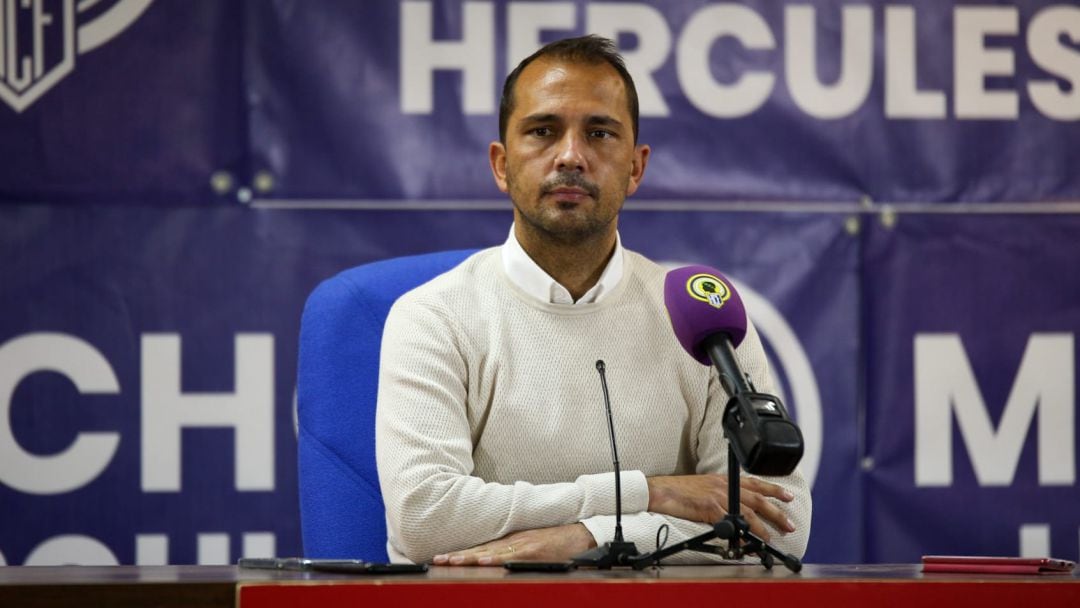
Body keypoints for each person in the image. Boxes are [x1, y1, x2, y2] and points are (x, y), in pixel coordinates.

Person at [375, 35, 811, 565]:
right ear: (501, 164)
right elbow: (426, 519)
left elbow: (781, 527)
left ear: (635, 167)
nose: (571, 156)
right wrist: (649, 494)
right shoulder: (433, 316)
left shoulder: (703, 317)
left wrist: (588, 536)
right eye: (542, 131)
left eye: (600, 133)